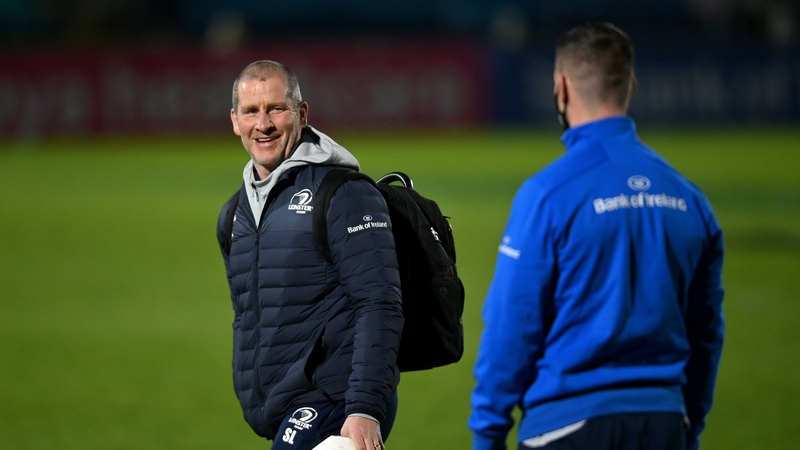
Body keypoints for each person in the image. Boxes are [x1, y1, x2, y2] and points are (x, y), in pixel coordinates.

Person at [469, 23, 725, 450]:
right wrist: (687, 424)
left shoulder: (547, 195)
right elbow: (706, 331)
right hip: (664, 423)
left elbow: (512, 324)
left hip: (565, 426)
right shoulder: (689, 198)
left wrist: (487, 432)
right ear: (631, 86)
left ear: (561, 87)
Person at [216, 60, 404, 450]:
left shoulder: (345, 193)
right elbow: (247, 314)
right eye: (251, 111)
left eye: (276, 109)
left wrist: (365, 408)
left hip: (338, 400)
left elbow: (379, 302)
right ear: (235, 121)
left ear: (301, 114)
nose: (263, 124)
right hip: (281, 407)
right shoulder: (234, 214)